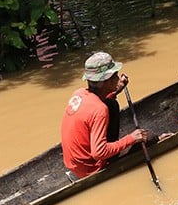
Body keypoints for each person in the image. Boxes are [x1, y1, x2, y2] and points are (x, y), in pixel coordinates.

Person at [60, 51, 149, 180]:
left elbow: (95, 107)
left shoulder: (78, 93)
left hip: (73, 165)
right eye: (115, 76)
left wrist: (116, 90)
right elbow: (99, 152)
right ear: (103, 82)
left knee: (111, 104)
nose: (118, 79)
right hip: (90, 169)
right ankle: (111, 161)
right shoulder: (99, 110)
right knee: (150, 137)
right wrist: (131, 138)